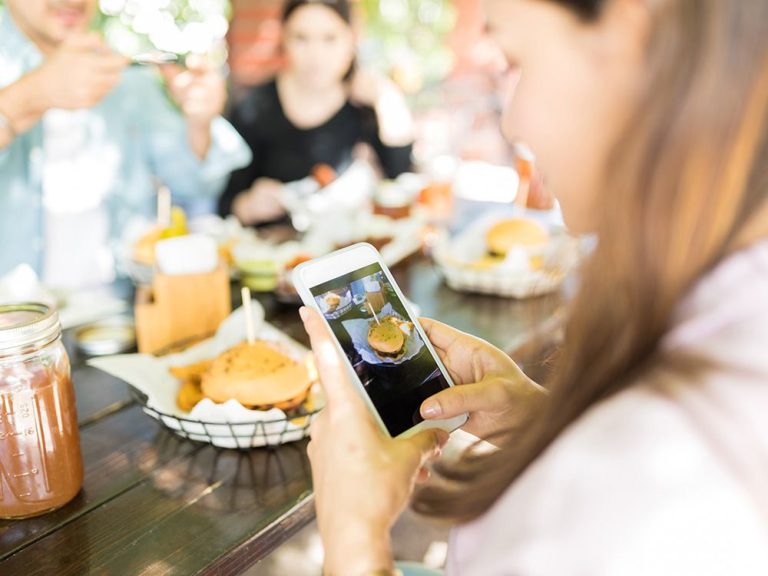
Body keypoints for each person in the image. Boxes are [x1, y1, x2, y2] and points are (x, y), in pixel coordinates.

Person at [299, 0, 768, 574]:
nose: (513, 122)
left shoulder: (675, 449)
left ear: (631, 35)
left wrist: (352, 537)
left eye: (516, 60)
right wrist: (538, 423)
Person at [0, 0, 251, 287]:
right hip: (13, 320)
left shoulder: (125, 75)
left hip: (116, 311)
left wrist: (199, 122)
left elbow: (194, 185)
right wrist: (27, 97)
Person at [218, 0, 414, 226]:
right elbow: (224, 202)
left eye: (329, 38)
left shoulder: (364, 104)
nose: (315, 55)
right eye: (301, 38)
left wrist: (388, 102)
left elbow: (400, 180)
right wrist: (247, 206)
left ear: (351, 39)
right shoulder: (253, 108)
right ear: (284, 39)